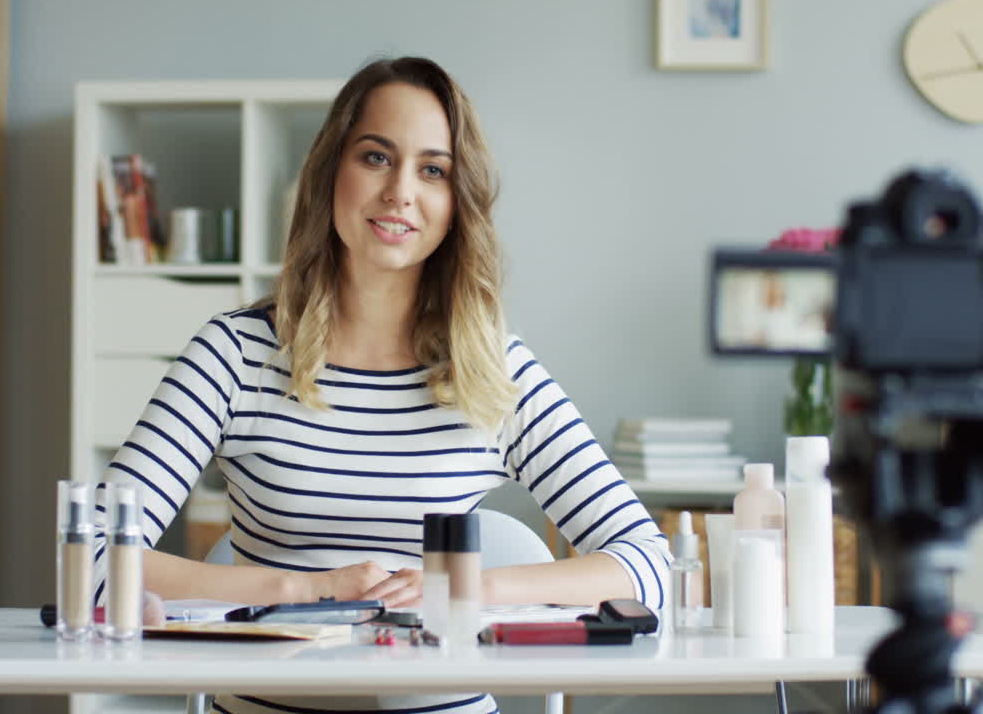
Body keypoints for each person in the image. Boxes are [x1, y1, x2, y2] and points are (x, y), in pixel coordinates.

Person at [94, 56, 670, 714]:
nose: (401, 191)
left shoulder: (493, 370)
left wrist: (467, 589)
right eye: (375, 157)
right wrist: (306, 590)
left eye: (433, 170)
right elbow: (92, 559)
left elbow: (646, 564)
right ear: (330, 172)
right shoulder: (234, 356)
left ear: (457, 204)